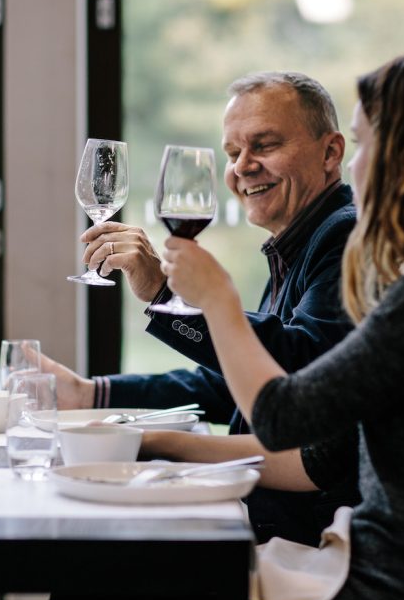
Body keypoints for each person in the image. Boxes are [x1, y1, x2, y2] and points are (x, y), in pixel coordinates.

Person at [160, 50, 404, 600]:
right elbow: (323, 447)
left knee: (128, 581)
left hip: (394, 590)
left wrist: (218, 298)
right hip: (402, 573)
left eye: (364, 142)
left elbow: (280, 417)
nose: (356, 164)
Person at [43, 71, 360, 547]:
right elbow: (233, 378)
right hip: (261, 514)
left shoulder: (344, 237)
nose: (243, 167)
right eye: (233, 154)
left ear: (332, 152)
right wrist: (93, 394)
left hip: (300, 536)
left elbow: (301, 376)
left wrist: (170, 298)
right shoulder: (299, 241)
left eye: (265, 145)